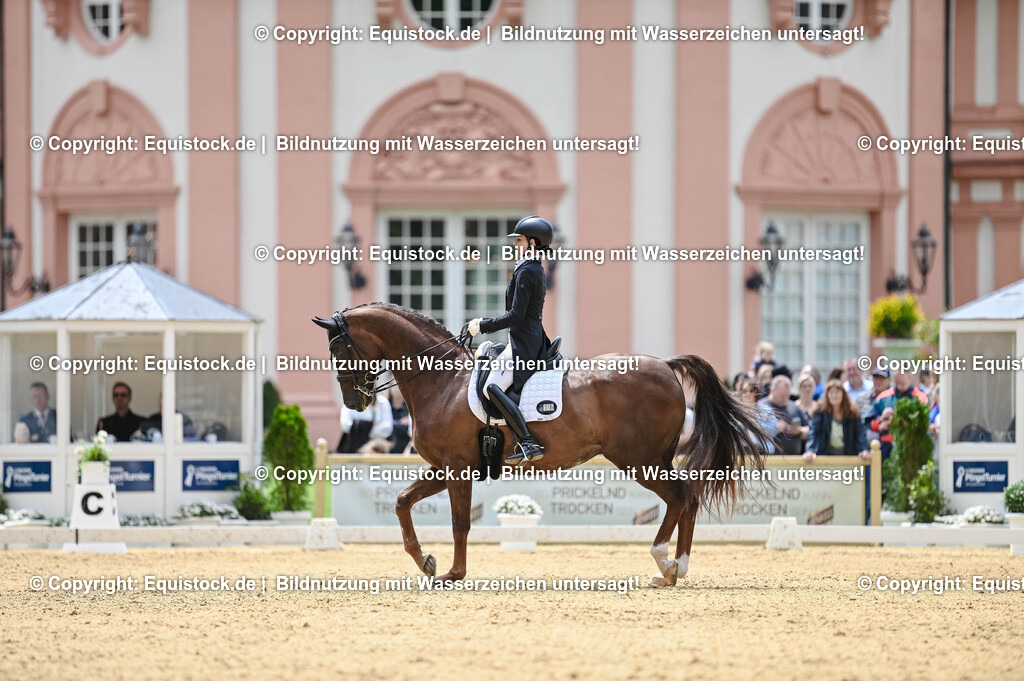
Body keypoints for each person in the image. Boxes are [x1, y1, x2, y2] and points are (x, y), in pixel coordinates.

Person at [467, 216, 555, 464]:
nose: (515, 243)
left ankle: (528, 443)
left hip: (525, 343)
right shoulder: (528, 267)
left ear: (533, 242)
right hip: (523, 338)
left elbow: (516, 316)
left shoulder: (528, 271)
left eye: (519, 239)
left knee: (490, 387)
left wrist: (483, 325)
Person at [863, 369, 929, 460]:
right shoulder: (884, 397)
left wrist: (903, 421)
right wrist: (880, 424)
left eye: (902, 383)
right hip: (887, 448)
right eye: (897, 383)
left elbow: (924, 422)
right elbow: (868, 420)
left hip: (912, 448)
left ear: (910, 378)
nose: (899, 387)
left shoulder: (920, 397)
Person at [805, 379, 869, 462]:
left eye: (837, 392)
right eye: (831, 392)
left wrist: (863, 449)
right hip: (825, 457)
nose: (834, 395)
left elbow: (860, 433)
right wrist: (810, 450)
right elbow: (813, 432)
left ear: (843, 394)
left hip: (848, 458)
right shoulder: (820, 412)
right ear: (827, 395)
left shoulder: (852, 413)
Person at [758, 375, 806, 456]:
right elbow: (755, 431)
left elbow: (810, 431)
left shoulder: (794, 407)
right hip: (769, 459)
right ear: (772, 390)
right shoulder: (761, 407)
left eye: (787, 396)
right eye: (782, 396)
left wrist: (799, 431)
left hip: (794, 460)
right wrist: (774, 428)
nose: (785, 399)